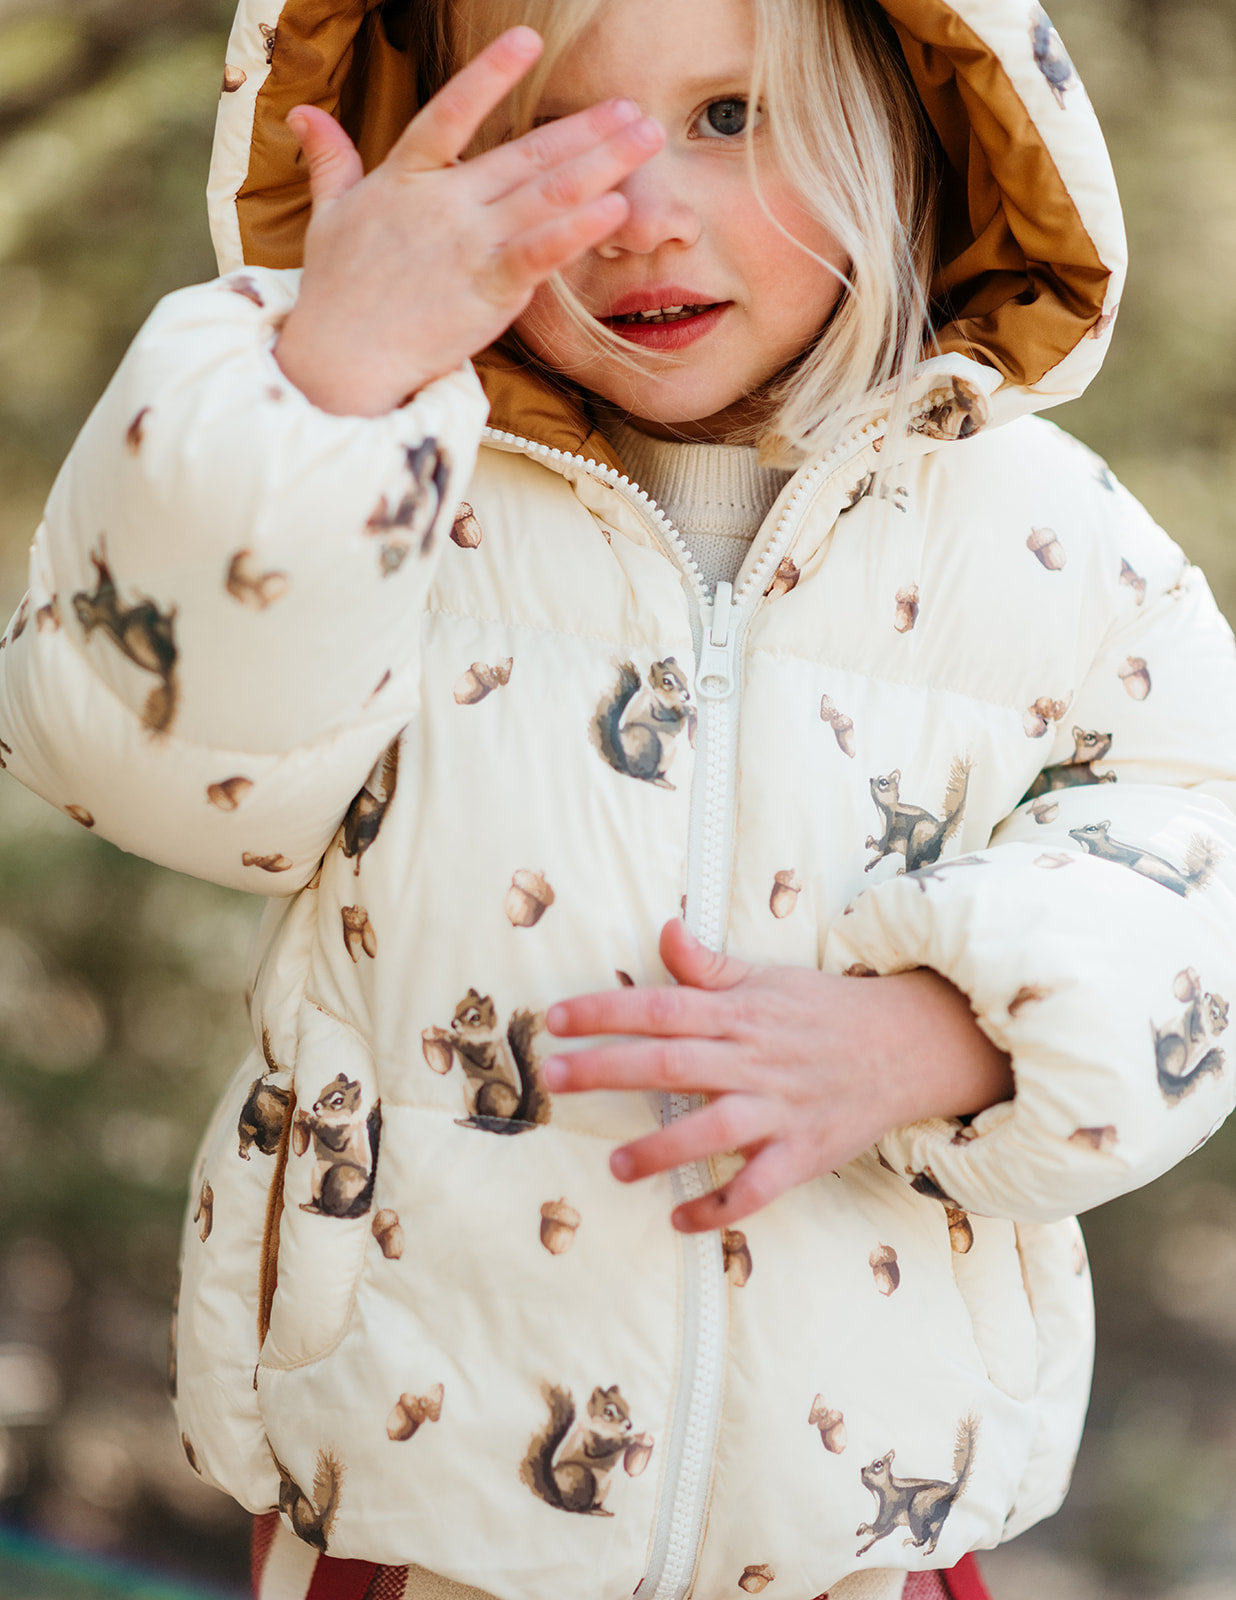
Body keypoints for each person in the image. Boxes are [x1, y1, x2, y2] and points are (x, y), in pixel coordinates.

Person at [1, 0, 1235, 1596]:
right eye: (540, 134)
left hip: (855, 1534)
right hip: (415, 1511)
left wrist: (952, 1030)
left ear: (910, 115)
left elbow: (1202, 838)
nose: (639, 211)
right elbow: (155, 765)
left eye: (727, 116)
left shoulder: (1036, 533)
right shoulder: (384, 483)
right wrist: (324, 391)